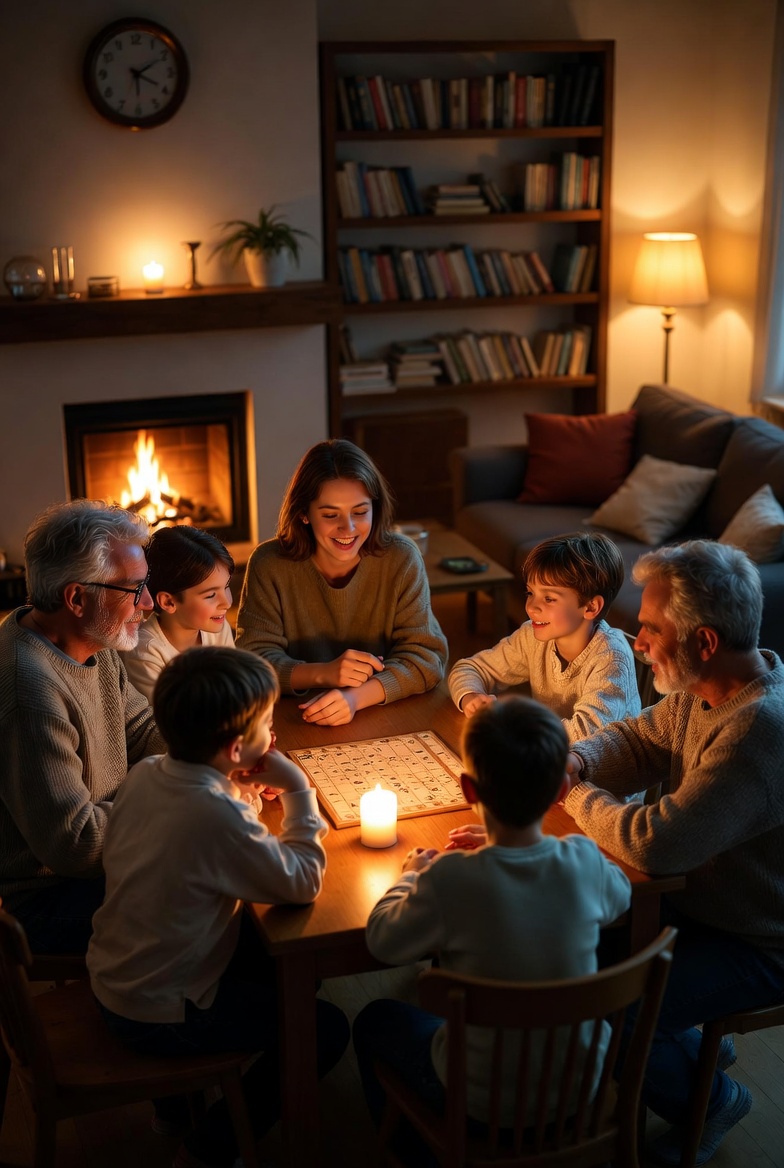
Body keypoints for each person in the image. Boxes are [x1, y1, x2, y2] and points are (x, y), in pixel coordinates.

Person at [558, 539, 784, 1165]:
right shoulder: (707, 687)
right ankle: (681, 1045)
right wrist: (577, 758)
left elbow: (656, 845)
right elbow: (640, 739)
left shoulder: (756, 730)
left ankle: (712, 1099)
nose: (636, 640)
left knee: (614, 1004)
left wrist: (574, 794)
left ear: (704, 642)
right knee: (572, 946)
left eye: (651, 629)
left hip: (758, 939)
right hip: (705, 908)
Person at [86, 646, 349, 1168]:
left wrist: (239, 787)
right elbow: (302, 882)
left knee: (287, 966)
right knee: (323, 1026)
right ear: (235, 749)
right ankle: (209, 1146)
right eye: (267, 726)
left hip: (118, 973)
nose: (273, 736)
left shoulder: (148, 772)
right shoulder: (214, 813)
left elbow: (201, 847)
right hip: (159, 1011)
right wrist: (298, 790)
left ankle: (176, 1107)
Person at [352, 696, 631, 1164]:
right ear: (560, 789)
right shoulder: (582, 858)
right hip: (579, 1091)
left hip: (481, 1106)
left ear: (468, 789)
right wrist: (529, 846)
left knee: (376, 1020)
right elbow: (620, 895)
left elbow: (382, 940)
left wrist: (411, 875)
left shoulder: (450, 879)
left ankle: (415, 1152)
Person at [0, 499, 164, 953]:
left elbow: (142, 727)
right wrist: (180, 793)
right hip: (49, 900)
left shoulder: (93, 638)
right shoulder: (30, 691)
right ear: (76, 597)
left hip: (103, 861)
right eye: (134, 589)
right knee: (214, 890)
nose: (148, 604)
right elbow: (77, 844)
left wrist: (214, 750)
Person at [236, 438, 447, 726]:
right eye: (330, 515)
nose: (347, 528)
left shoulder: (402, 558)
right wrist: (325, 673)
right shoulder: (269, 563)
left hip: (381, 712)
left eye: (360, 512)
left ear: (375, 507)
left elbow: (427, 659)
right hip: (292, 717)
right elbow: (251, 663)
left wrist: (355, 698)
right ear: (304, 514)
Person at [448, 530, 639, 738]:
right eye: (531, 593)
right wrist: (471, 697)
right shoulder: (532, 635)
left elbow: (587, 733)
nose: (531, 607)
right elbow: (470, 668)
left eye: (549, 598)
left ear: (591, 607)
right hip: (549, 756)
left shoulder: (611, 657)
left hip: (600, 767)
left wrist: (511, 723)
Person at [121, 524, 235, 702]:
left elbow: (236, 689)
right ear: (168, 602)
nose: (227, 603)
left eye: (226, 587)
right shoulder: (146, 653)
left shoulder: (217, 628)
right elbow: (173, 720)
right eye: (211, 595)